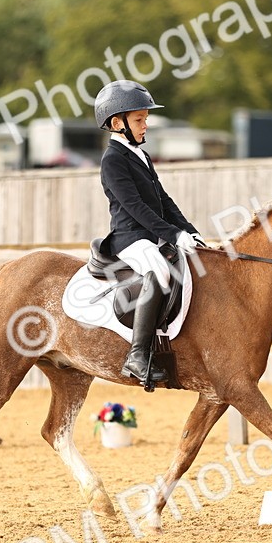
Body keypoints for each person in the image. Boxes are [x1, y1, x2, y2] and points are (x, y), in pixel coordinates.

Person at [93, 80, 204, 383]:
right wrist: (172, 234)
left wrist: (189, 231)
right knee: (160, 272)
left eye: (145, 119)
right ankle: (138, 356)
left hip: (151, 235)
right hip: (129, 238)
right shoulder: (113, 160)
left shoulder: (139, 154)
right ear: (118, 123)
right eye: (139, 119)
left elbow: (163, 201)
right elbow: (135, 207)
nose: (146, 125)